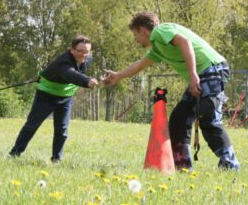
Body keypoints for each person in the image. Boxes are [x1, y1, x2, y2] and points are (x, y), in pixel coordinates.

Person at [103, 11, 240, 171]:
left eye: (135, 35)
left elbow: (185, 42)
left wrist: (192, 73)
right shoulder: (158, 48)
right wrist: (118, 76)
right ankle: (182, 164)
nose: (136, 40)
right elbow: (139, 65)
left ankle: (230, 164)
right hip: (202, 75)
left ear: (142, 30)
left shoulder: (161, 31)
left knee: (209, 119)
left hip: (211, 70)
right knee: (178, 120)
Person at [9, 35, 98, 163]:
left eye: (86, 52)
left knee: (62, 130)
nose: (83, 55)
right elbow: (70, 74)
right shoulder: (63, 62)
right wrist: (86, 81)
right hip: (46, 96)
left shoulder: (87, 58)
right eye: (80, 51)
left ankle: (57, 160)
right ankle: (14, 154)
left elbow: (77, 71)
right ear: (71, 49)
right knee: (31, 126)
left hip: (66, 97)